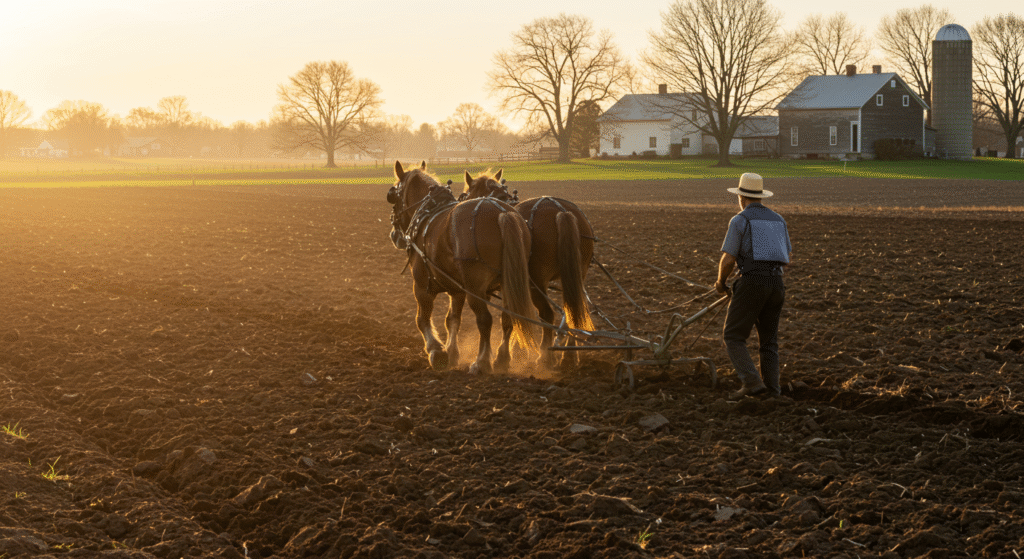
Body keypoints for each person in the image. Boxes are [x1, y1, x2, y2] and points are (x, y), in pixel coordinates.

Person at [715, 173, 792, 399]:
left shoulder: (740, 220)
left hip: (752, 282)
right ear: (760, 197)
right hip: (776, 284)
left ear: (741, 197)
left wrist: (721, 282)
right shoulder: (779, 219)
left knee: (733, 336)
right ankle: (773, 390)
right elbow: (787, 256)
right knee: (769, 341)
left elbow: (728, 259)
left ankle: (751, 383)